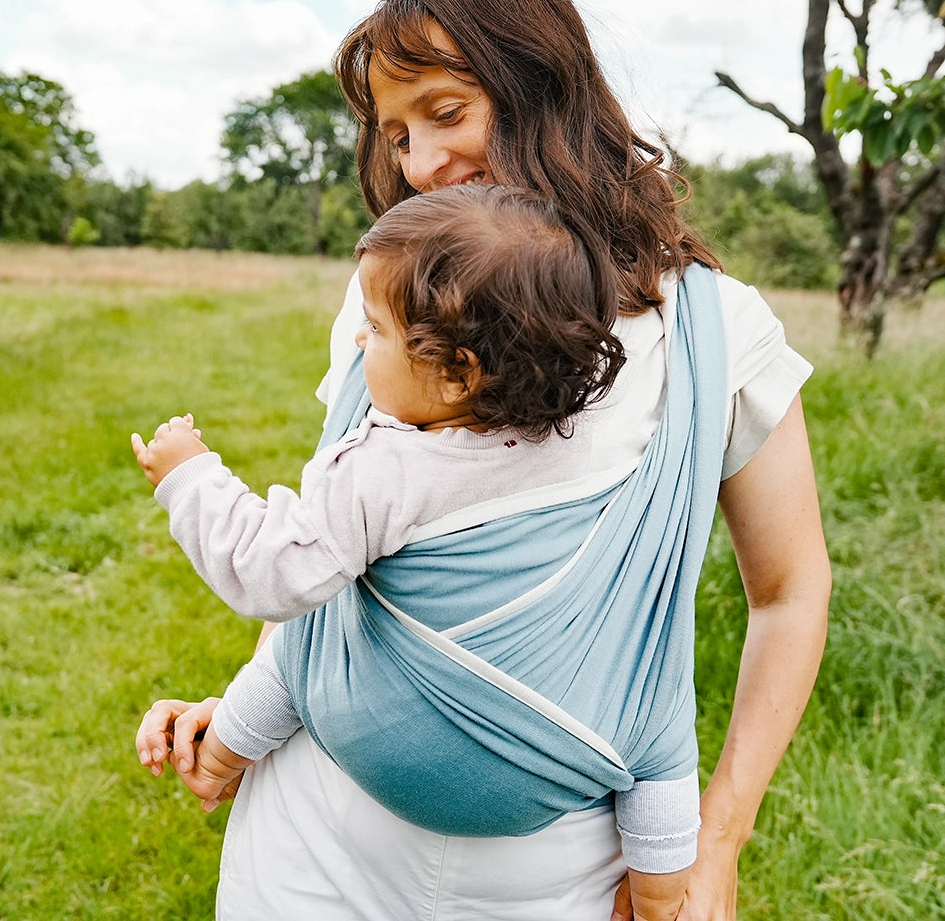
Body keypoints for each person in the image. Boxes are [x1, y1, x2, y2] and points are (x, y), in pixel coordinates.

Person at [135, 0, 831, 921]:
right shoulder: (394, 303)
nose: (419, 164)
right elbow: (342, 533)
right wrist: (251, 709)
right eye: (397, 133)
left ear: (544, 91)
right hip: (310, 846)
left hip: (555, 881)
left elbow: (790, 592)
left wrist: (712, 842)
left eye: (447, 113)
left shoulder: (715, 334)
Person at [133, 182, 705, 920]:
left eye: (373, 329)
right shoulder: (581, 458)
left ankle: (220, 757)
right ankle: (660, 900)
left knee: (310, 645)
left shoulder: (385, 467)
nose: (360, 344)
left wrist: (190, 479)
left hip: (377, 757)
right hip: (579, 746)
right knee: (655, 705)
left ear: (458, 371)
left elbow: (273, 572)